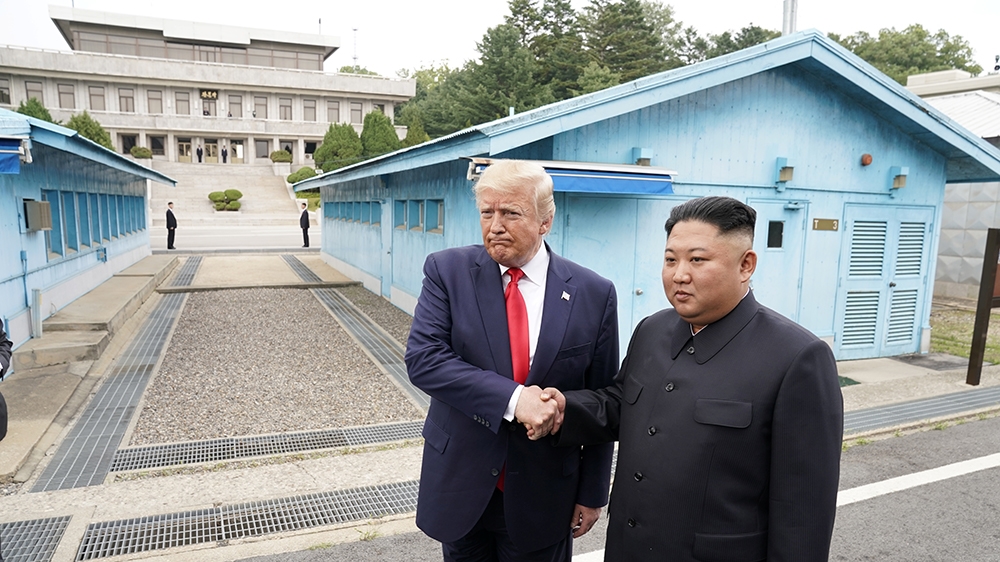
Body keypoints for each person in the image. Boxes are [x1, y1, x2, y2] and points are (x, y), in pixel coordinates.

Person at [538, 196, 844, 561]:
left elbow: (802, 511)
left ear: (746, 265)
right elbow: (621, 405)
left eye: (697, 259)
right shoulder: (653, 329)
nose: (679, 274)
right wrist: (562, 408)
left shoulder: (797, 357)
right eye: (670, 259)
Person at [405, 159, 619, 562]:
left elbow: (602, 398)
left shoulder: (594, 293)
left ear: (545, 221)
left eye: (510, 213)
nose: (495, 225)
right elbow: (425, 359)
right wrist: (514, 399)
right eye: (487, 212)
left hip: (545, 493)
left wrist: (592, 493)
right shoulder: (447, 271)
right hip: (461, 486)